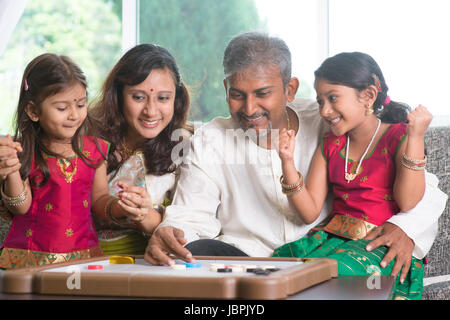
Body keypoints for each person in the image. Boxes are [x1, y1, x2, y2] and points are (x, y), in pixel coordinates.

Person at [144, 32, 447, 284]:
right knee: (194, 255)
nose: (249, 109)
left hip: (328, 256)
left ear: (290, 89)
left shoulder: (331, 119)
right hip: (247, 263)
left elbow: (423, 187)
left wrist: (407, 228)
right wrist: (169, 234)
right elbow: (191, 214)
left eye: (262, 93)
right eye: (237, 94)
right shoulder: (209, 140)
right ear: (225, 89)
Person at [272, 52, 433, 299]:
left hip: (376, 246)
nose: (325, 110)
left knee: (326, 278)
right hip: (332, 241)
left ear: (368, 96)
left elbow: (409, 202)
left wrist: (416, 137)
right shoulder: (331, 143)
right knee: (277, 272)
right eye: (320, 101)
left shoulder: (399, 136)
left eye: (333, 98)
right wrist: (287, 163)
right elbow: (309, 212)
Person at [0, 53, 148, 269]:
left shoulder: (94, 149)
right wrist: (11, 170)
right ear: (33, 111)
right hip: (29, 259)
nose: (74, 115)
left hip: (84, 256)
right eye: (62, 108)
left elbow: (99, 200)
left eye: (80, 104)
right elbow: (21, 207)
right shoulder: (22, 150)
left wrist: (120, 206)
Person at [88, 44, 192, 255]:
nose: (151, 111)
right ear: (117, 95)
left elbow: (190, 226)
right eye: (138, 97)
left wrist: (145, 214)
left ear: (176, 99)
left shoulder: (187, 146)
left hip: (154, 263)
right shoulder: (88, 139)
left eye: (163, 98)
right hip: (85, 261)